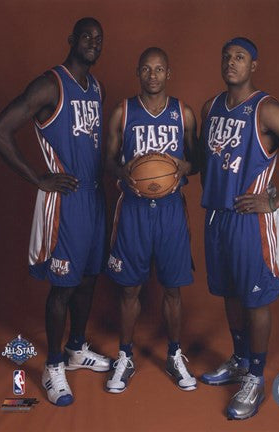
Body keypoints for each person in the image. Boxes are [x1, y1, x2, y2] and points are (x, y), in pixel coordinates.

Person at [199, 37, 279, 420]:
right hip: (217, 217)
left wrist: (275, 200)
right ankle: (240, 360)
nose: (231, 62)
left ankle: (255, 377)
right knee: (230, 293)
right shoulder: (211, 107)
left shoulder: (267, 110)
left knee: (255, 299)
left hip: (251, 221)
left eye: (239, 57)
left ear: (253, 65)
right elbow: (204, 161)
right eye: (226, 56)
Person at [0, 17, 111, 407]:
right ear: (71, 39)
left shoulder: (97, 89)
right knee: (64, 286)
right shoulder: (49, 84)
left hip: (94, 197)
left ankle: (75, 350)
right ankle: (53, 365)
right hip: (65, 200)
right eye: (87, 36)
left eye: (99, 39)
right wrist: (38, 178)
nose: (93, 43)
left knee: (89, 279)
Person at [105, 47, 199, 393]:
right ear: (138, 72)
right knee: (130, 287)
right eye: (146, 69)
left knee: (173, 288)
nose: (153, 75)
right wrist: (124, 172)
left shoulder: (183, 113)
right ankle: (125, 355)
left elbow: (198, 160)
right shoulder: (123, 112)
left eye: (159, 69)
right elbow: (109, 161)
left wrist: (182, 168)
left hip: (171, 210)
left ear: (168, 73)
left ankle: (175, 355)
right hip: (133, 209)